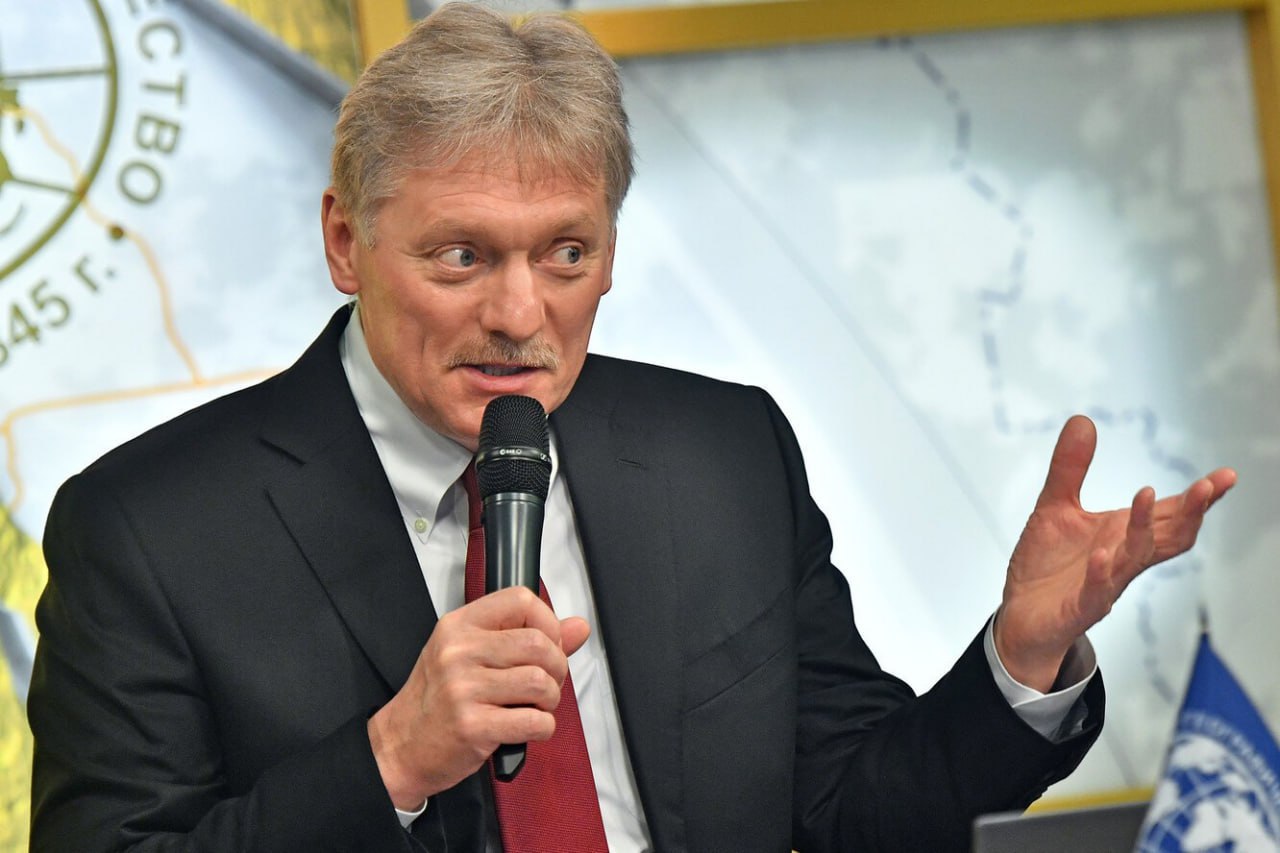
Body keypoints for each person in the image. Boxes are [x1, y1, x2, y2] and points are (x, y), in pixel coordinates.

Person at [27, 4, 1236, 852]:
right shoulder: (146, 529)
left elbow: (854, 811)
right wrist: (389, 759)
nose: (519, 315)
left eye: (566, 254)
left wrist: (1019, 657)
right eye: (461, 256)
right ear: (346, 241)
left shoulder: (721, 453)